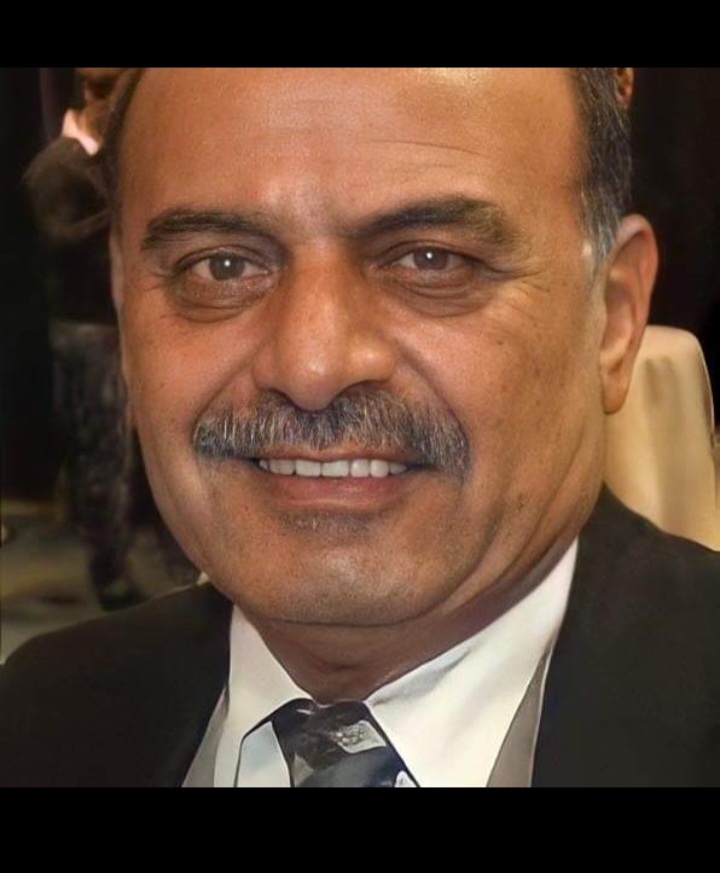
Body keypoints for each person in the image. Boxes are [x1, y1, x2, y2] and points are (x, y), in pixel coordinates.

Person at [1, 68, 718, 787]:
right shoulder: (39, 718)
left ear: (613, 318)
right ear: (125, 303)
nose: (312, 365)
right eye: (221, 267)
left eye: (431, 260)